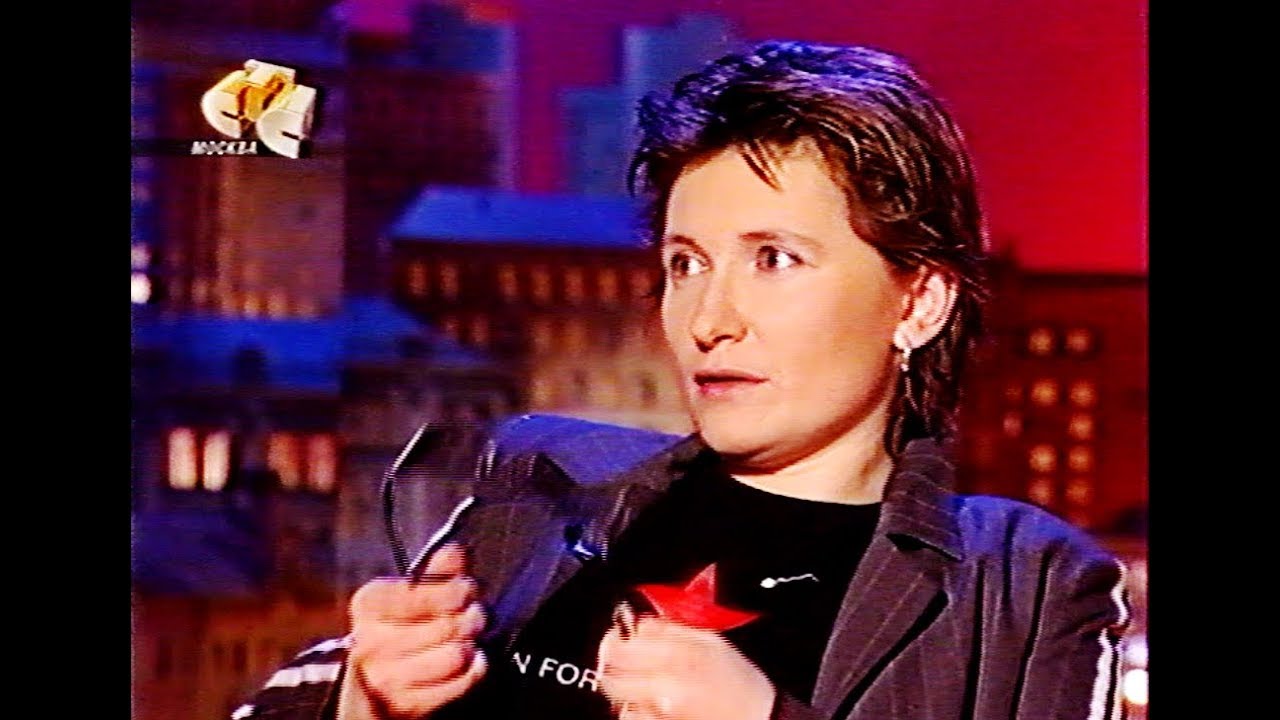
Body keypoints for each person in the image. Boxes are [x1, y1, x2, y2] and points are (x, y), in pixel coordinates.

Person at [237, 40, 1130, 720]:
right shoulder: (539, 483)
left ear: (920, 302)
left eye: (774, 259)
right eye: (686, 263)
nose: (709, 318)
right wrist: (361, 701)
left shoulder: (1025, 587)